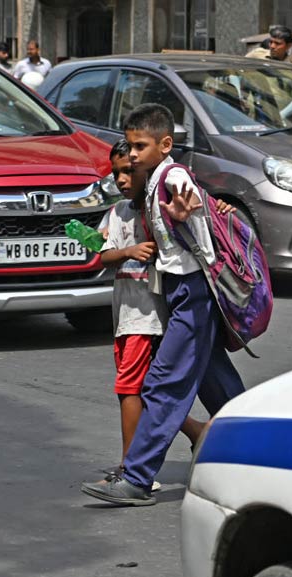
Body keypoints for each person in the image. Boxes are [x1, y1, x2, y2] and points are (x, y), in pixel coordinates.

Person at [81, 104, 245, 506]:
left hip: (193, 289)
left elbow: (193, 208)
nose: (132, 155)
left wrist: (186, 214)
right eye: (130, 146)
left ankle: (136, 478)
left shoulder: (172, 177)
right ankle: (259, 448)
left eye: (140, 146)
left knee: (164, 383)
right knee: (215, 380)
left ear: (165, 144)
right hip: (182, 290)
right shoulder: (160, 179)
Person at [95, 139, 209, 492]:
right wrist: (118, 248)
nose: (123, 179)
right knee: (149, 389)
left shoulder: (159, 206)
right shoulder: (117, 213)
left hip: (151, 317)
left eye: (130, 170)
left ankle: (131, 470)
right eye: (117, 173)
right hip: (126, 315)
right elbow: (103, 252)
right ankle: (199, 432)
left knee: (131, 388)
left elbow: (197, 207)